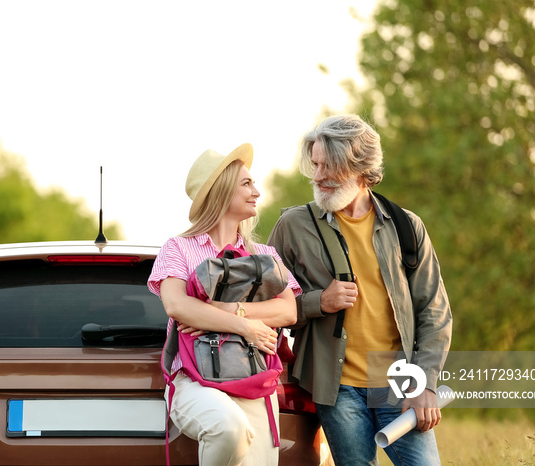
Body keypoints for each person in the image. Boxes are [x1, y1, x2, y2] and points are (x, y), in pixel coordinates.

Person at [268, 115, 452, 466]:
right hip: (336, 390)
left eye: (329, 166)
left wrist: (426, 384)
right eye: (316, 164)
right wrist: (317, 302)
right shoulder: (293, 225)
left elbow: (434, 311)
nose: (318, 176)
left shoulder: (406, 226)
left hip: (400, 385)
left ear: (361, 169)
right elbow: (265, 305)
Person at [148, 143, 301, 466]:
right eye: (246, 184)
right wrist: (245, 326)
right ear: (220, 192)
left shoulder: (265, 256)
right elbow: (176, 306)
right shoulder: (178, 248)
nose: (256, 191)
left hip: (255, 380)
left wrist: (227, 311)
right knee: (229, 428)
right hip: (194, 379)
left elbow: (288, 310)